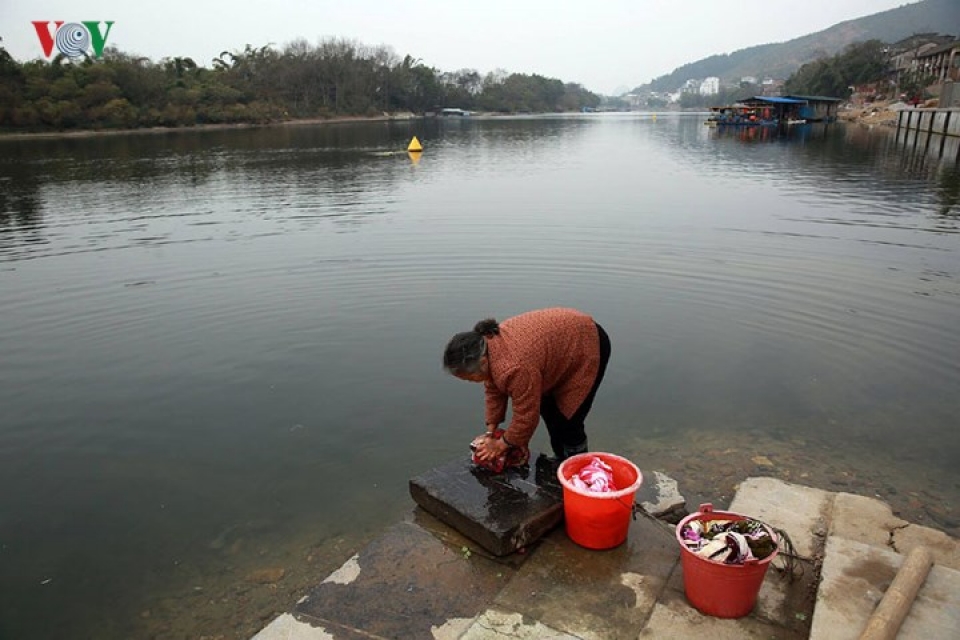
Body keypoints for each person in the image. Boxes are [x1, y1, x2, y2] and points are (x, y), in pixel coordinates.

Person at [442, 307, 611, 467]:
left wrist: (502, 444)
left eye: (470, 378)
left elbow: (526, 417)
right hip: (558, 347)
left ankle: (578, 467)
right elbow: (494, 388)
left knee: (569, 419)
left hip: (586, 343)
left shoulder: (515, 367)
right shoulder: (488, 347)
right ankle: (560, 460)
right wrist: (491, 431)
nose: (471, 382)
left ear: (483, 362)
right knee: (548, 410)